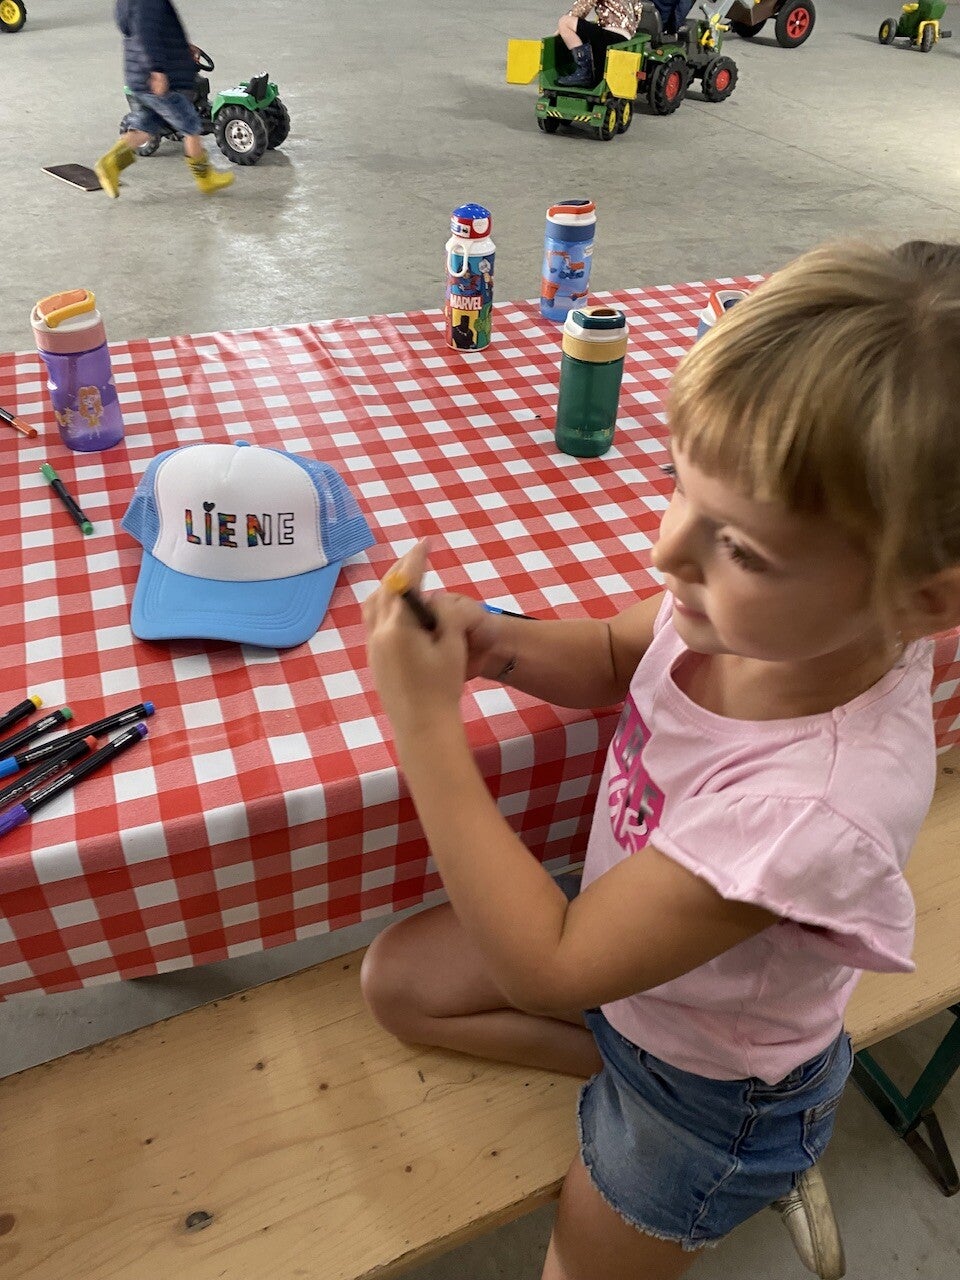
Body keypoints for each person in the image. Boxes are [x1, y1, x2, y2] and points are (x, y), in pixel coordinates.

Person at [360, 239, 960, 1280]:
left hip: (711, 1093)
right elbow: (607, 653)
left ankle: (740, 1159)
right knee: (397, 983)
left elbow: (544, 964)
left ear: (923, 600)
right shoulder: (745, 619)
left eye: (742, 547)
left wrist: (424, 723)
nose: (666, 551)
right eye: (678, 485)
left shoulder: (816, 804)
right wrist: (495, 642)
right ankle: (610, 1079)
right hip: (622, 953)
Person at [95, 0, 234, 198]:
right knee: (191, 125)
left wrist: (182, 47)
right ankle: (205, 178)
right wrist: (157, 70)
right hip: (162, 80)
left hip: (141, 77)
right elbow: (146, 36)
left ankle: (110, 164)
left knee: (147, 126)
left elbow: (151, 32)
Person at [555, 1, 641, 87]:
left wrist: (560, 29)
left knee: (564, 21)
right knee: (586, 28)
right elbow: (638, 10)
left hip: (610, 35)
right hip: (625, 37)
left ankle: (584, 72)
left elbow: (583, 5)